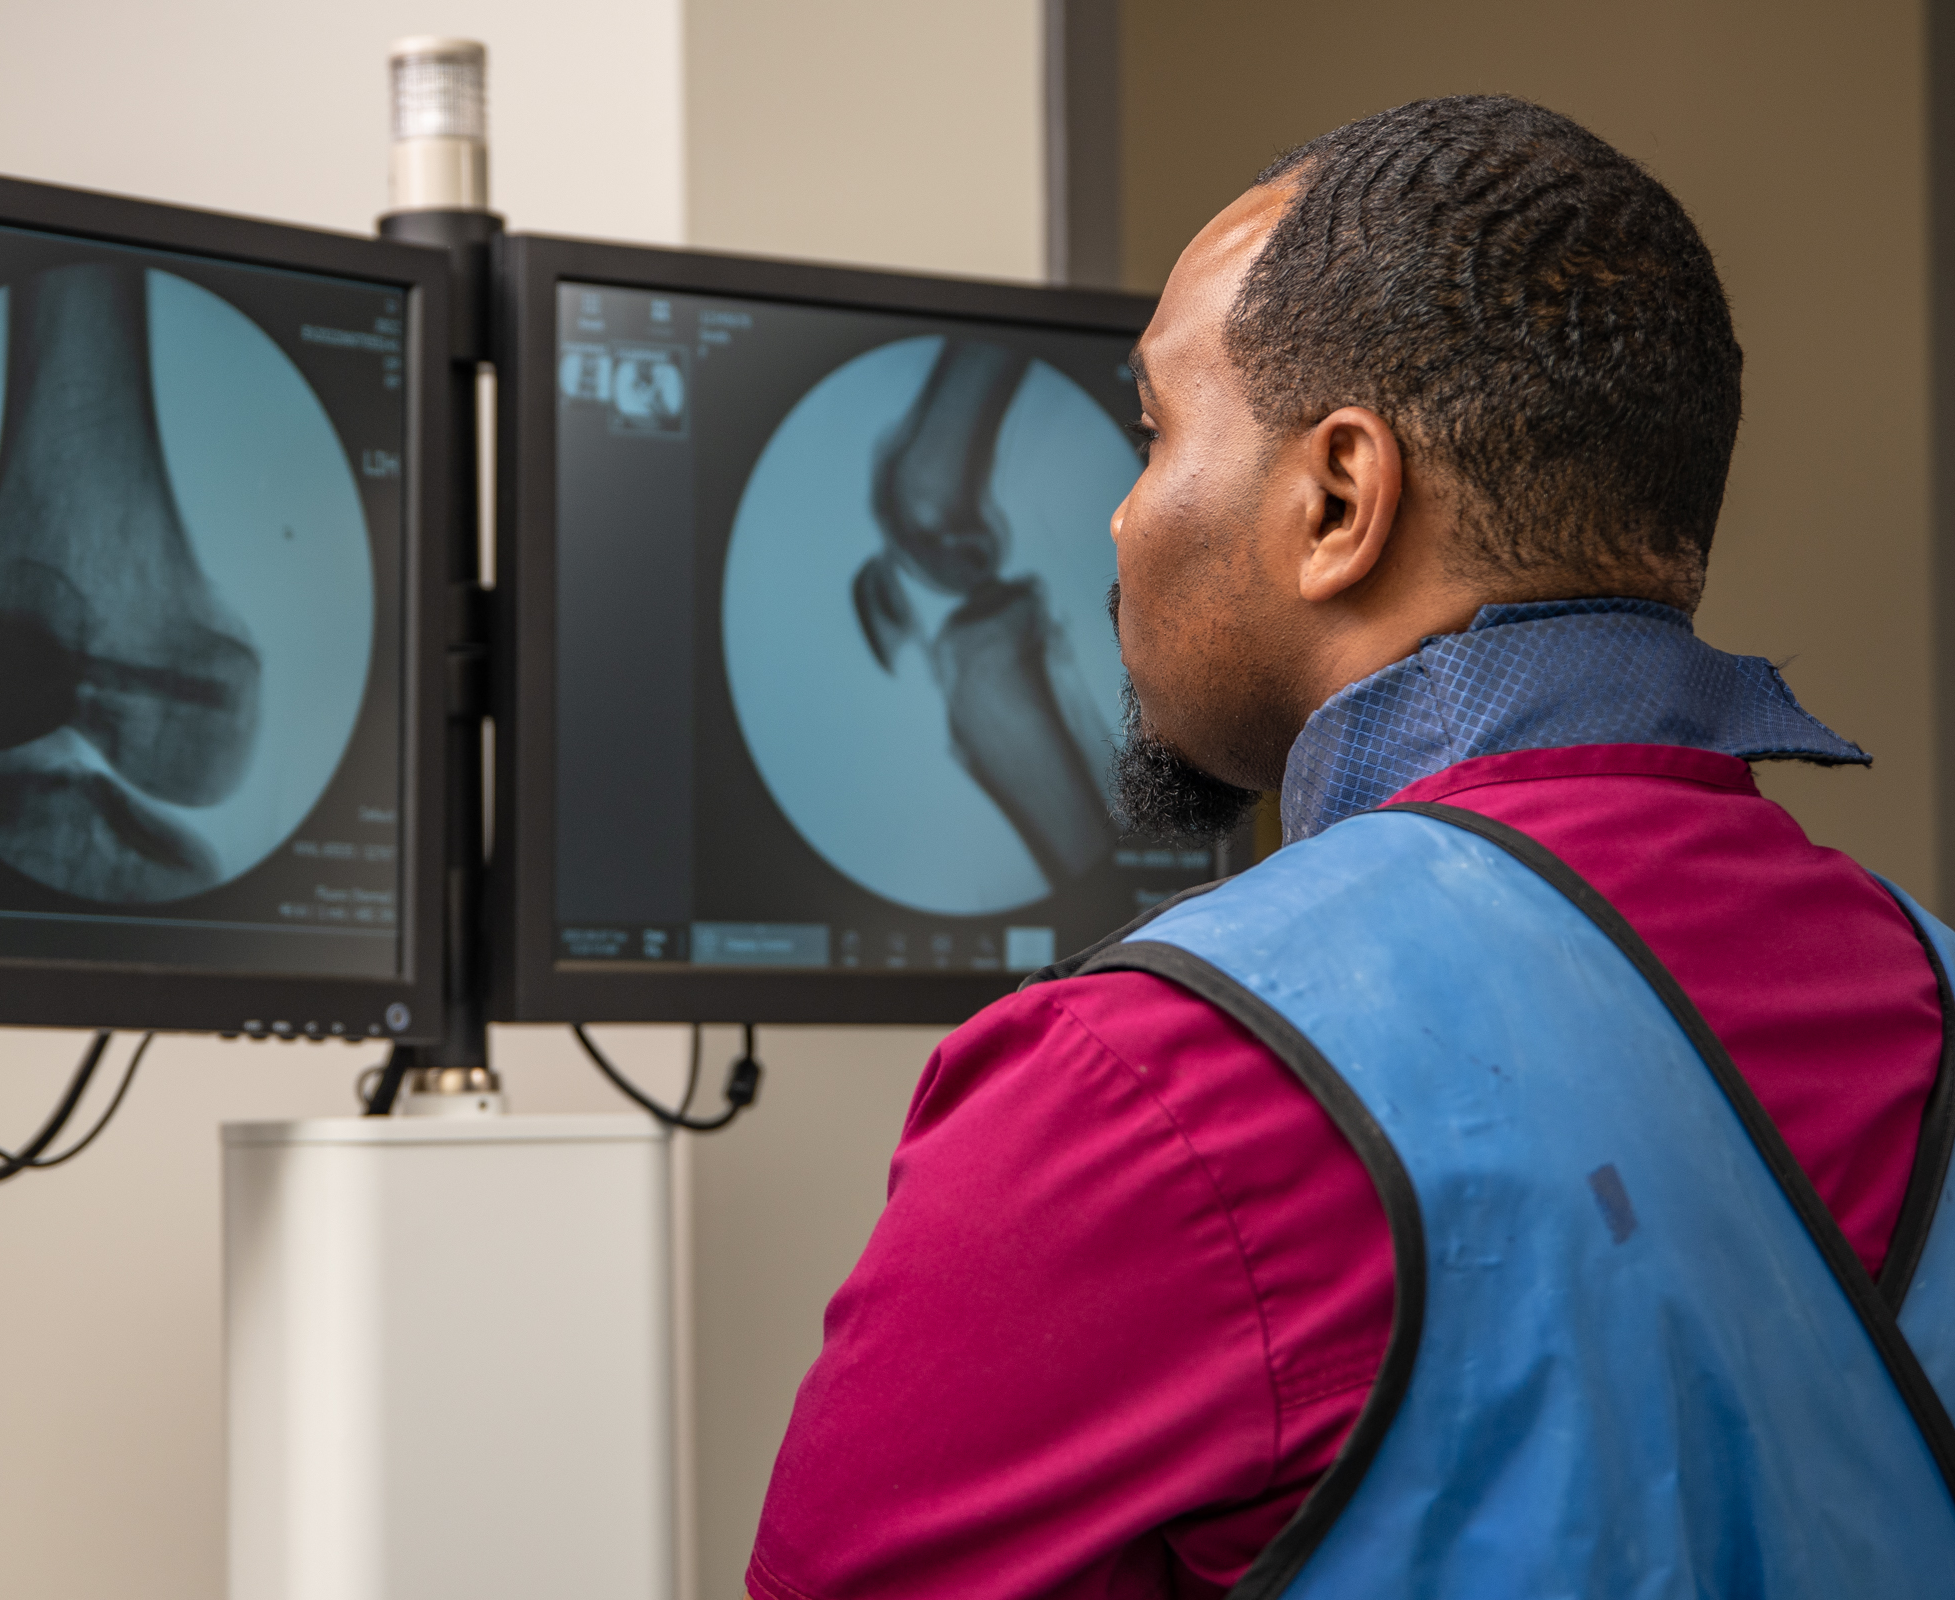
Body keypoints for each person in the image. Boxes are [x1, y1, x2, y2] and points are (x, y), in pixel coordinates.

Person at [745, 96, 1955, 1598]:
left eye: (1156, 431)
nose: (1120, 524)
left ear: (1338, 499)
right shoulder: (1937, 989)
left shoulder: (1147, 1082)